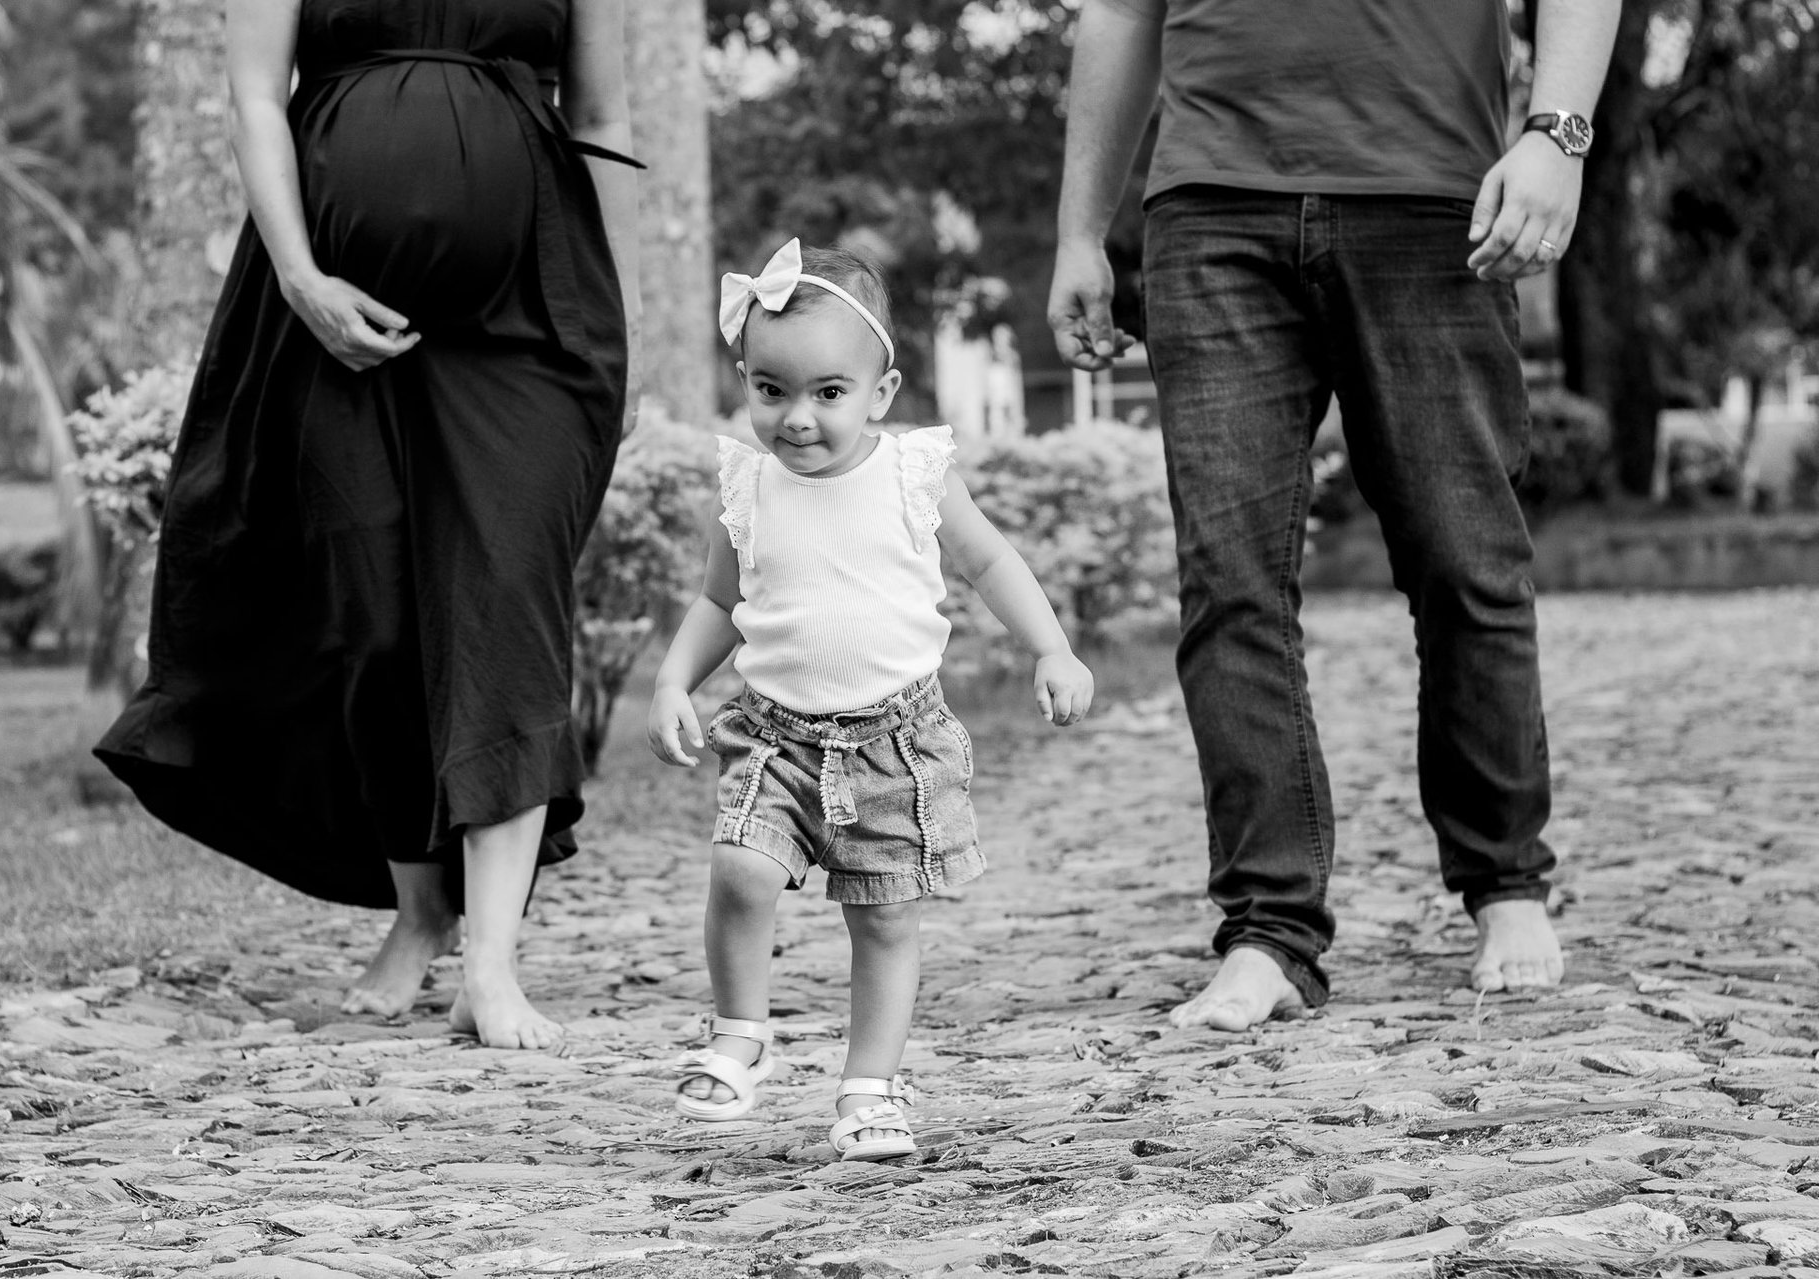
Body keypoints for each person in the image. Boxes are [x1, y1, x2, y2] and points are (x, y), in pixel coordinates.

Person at [1049, 0, 1621, 1029]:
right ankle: (1269, 929)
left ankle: (1505, 884)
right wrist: (1081, 229)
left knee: (1464, 563)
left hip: (1433, 192)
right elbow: (1120, 9)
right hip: (1212, 202)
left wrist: (1557, 132)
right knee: (1230, 588)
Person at [95, 0, 641, 1050]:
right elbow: (257, 95)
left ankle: (492, 961)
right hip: (322, 318)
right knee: (374, 614)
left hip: (529, 322)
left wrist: (607, 313)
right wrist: (300, 278)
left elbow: (605, 115)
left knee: (505, 598)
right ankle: (423, 904)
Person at [647, 240, 1094, 1160]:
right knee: (740, 869)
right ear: (746, 381)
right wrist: (671, 678)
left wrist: (1050, 646)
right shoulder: (747, 485)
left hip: (896, 741)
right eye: (771, 391)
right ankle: (741, 1032)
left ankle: (870, 1087)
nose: (797, 418)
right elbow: (719, 603)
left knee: (885, 915)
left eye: (827, 393)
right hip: (774, 734)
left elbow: (990, 562)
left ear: (880, 393)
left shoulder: (912, 474)